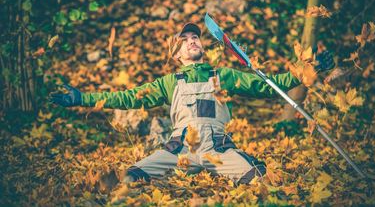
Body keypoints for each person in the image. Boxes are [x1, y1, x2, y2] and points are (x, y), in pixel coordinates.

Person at [49, 22, 334, 185]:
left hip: (219, 151)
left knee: (263, 180)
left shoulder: (223, 75)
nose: (192, 40)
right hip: (178, 152)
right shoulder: (168, 82)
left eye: (195, 36)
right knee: (129, 179)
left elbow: (269, 86)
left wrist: (309, 70)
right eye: (184, 40)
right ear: (177, 54)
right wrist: (81, 99)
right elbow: (124, 97)